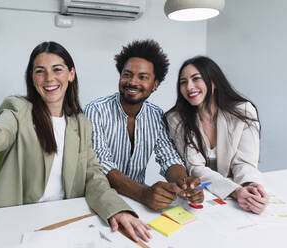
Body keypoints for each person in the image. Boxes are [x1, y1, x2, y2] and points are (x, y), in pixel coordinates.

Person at [0, 42, 151, 242]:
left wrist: (116, 209)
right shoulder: (18, 110)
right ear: (32, 78)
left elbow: (94, 176)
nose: (49, 78)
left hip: (63, 220)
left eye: (57, 70)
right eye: (40, 71)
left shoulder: (81, 123)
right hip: (15, 221)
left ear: (71, 74)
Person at [84, 39, 204, 211]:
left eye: (143, 77)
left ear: (155, 85)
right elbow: (101, 164)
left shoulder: (156, 116)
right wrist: (143, 193)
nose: (133, 82)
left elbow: (169, 157)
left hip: (138, 203)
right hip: (99, 199)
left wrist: (184, 184)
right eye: (127, 74)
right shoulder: (96, 110)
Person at [164, 56, 269, 214]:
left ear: (213, 82)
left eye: (196, 79)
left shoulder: (244, 111)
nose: (189, 87)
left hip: (236, 195)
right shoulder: (176, 119)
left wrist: (250, 186)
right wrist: (235, 191)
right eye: (183, 82)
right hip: (199, 197)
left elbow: (245, 163)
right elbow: (195, 168)